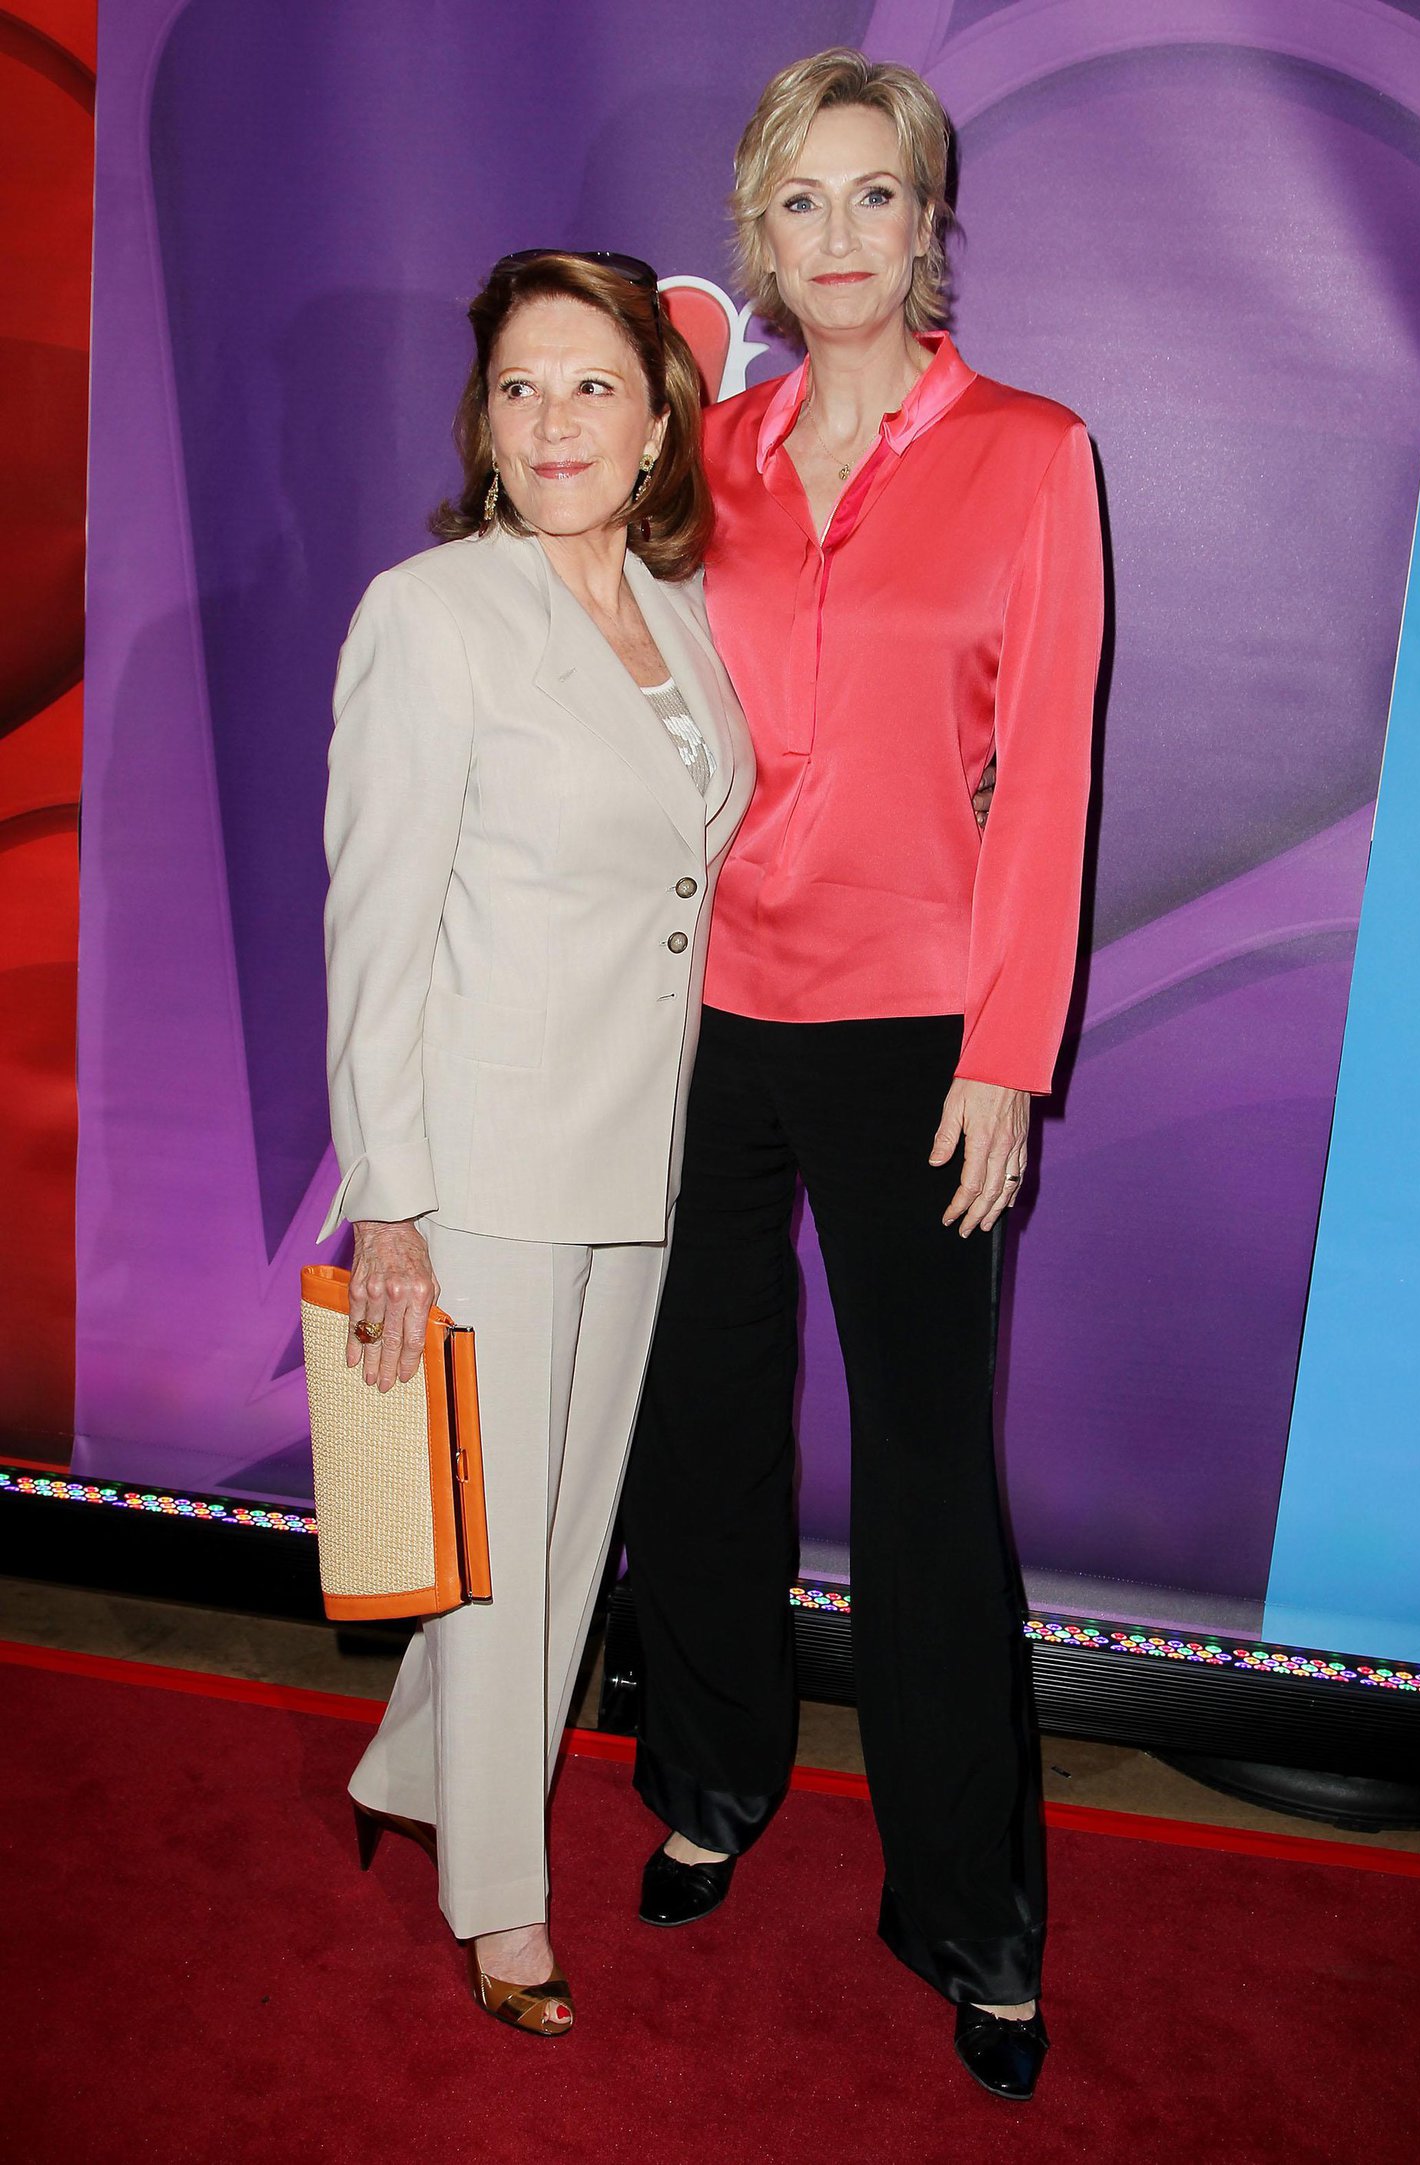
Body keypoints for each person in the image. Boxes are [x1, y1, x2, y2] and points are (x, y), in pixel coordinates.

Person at [620, 50, 1103, 2102]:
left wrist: (1005, 1054)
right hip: (691, 1014)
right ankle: (712, 1782)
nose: (836, 237)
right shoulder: (691, 453)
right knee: (703, 1425)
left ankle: (965, 1909)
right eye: (797, 203)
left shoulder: (1030, 451)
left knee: (922, 1479)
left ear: (929, 221)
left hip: (916, 1030)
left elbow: (1046, 776)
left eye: (873, 198)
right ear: (758, 229)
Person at [319, 249, 753, 2036]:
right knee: (495, 1550)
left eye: (593, 385)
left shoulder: (682, 613)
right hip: (486, 1161)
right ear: (482, 429)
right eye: (521, 388)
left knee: (563, 1531)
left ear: (657, 420)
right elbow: (376, 928)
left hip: (634, 1152)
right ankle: (498, 1893)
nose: (556, 418)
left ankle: (413, 1768)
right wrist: (393, 1203)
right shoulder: (428, 616)